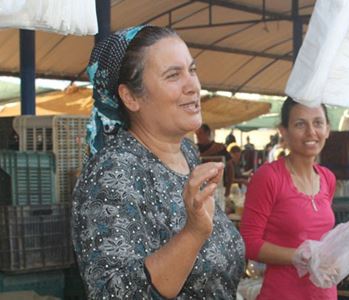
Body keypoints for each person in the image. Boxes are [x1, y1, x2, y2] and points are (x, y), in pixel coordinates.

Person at [72, 25, 245, 299]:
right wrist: (193, 233)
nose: (193, 86)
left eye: (192, 70)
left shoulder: (188, 153)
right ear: (130, 97)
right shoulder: (112, 171)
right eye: (173, 75)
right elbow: (115, 293)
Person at [239, 97, 338, 299]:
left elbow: (323, 240)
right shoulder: (269, 177)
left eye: (318, 123)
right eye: (300, 124)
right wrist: (300, 257)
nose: (311, 132)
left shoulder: (327, 178)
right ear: (283, 131)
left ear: (327, 129)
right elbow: (248, 243)